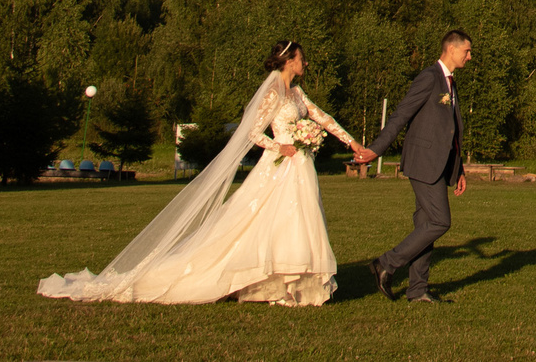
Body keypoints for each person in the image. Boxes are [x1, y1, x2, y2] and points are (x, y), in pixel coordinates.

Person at [37, 39, 364, 306]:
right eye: (301, 59)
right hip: (279, 165)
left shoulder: (296, 93)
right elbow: (251, 132)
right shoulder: (273, 92)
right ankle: (256, 278)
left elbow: (323, 118)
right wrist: (282, 147)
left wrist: (352, 144)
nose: (304, 64)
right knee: (260, 221)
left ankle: (285, 285)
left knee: (296, 223)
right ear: (288, 61)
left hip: (299, 167)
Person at [360, 29, 472, 304]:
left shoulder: (450, 83)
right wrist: (376, 149)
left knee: (425, 224)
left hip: (440, 165)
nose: (469, 57)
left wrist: (458, 170)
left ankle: (417, 290)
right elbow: (401, 115)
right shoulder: (429, 77)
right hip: (423, 162)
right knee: (439, 221)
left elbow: (451, 130)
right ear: (451, 49)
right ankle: (385, 263)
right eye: (467, 51)